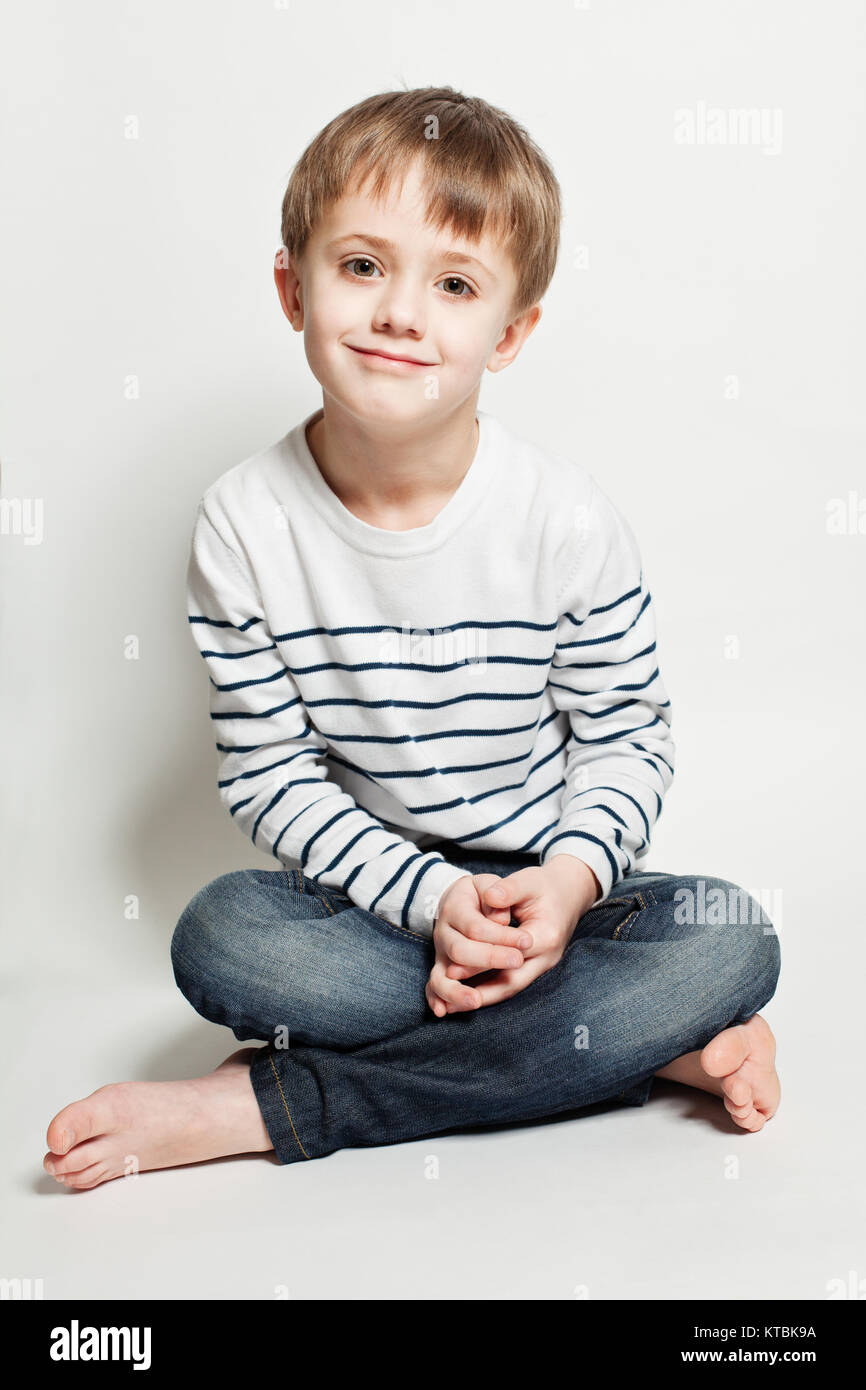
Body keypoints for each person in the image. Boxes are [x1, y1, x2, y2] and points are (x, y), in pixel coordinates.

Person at [42, 86, 780, 1189]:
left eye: (452, 284)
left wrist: (570, 884)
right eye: (359, 266)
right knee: (221, 937)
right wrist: (432, 901)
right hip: (375, 911)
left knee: (730, 939)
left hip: (554, 907)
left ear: (511, 330)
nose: (399, 312)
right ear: (292, 289)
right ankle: (636, 1045)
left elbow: (625, 738)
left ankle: (265, 1102)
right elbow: (268, 774)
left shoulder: (564, 518)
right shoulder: (245, 522)